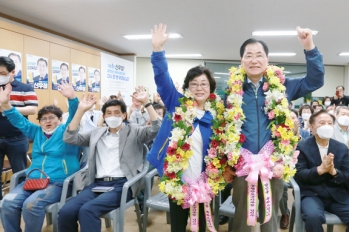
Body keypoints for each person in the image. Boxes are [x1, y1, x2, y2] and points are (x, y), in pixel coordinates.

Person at [223, 26, 325, 232]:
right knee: (241, 217)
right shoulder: (232, 91)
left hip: (274, 164)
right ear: (241, 61)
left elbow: (315, 80)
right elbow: (224, 129)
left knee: (270, 218)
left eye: (259, 55)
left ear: (267, 60)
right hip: (244, 165)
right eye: (248, 55)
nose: (254, 60)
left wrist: (309, 48)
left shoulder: (282, 85)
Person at [146, 24, 222, 232]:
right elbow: (162, 80)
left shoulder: (217, 116)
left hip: (204, 181)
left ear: (211, 89)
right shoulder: (176, 104)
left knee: (202, 227)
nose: (199, 88)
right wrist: (157, 51)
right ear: (187, 87)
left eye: (204, 84)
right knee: (178, 227)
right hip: (177, 180)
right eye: (194, 83)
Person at [58, 87, 161, 232]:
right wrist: (80, 111)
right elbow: (70, 137)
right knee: (66, 211)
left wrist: (147, 103)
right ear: (104, 116)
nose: (112, 116)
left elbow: (157, 129)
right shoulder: (96, 133)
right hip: (97, 184)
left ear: (124, 115)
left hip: (123, 184)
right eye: (109, 113)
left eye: (117, 113)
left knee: (87, 210)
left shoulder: (134, 130)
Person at [0, 82, 80, 232]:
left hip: (58, 182)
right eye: (43, 119)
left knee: (31, 205)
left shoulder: (67, 131)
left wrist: (72, 99)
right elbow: (19, 120)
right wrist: (5, 104)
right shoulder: (36, 132)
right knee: (7, 202)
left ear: (60, 119)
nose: (47, 121)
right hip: (33, 181)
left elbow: (75, 116)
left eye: (51, 118)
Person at [295, 110, 349, 232]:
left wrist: (334, 172)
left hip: (338, 194)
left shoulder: (341, 148)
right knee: (313, 217)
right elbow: (299, 175)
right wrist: (319, 170)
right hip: (312, 194)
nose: (326, 126)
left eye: (329, 123)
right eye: (322, 123)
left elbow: (348, 176)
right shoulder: (302, 146)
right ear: (313, 128)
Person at [0, 56, 38, 200]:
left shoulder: (24, 88)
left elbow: (32, 110)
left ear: (12, 72)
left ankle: (20, 200)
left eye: (3, 73)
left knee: (20, 173)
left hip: (16, 138)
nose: (0, 76)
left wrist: (7, 108)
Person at [279, 109, 310, 229]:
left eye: (294, 118)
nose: (291, 120)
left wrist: (297, 135)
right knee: (281, 184)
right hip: (285, 168)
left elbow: (306, 151)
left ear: (298, 119)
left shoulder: (306, 134)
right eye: (288, 118)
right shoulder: (279, 133)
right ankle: (285, 213)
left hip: (301, 168)